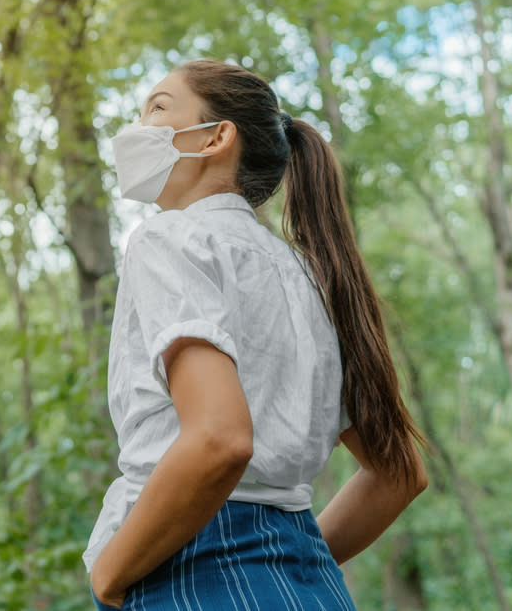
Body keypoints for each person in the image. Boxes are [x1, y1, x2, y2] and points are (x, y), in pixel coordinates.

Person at [85, 59, 428, 610]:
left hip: (194, 571)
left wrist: (110, 573)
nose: (137, 128)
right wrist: (292, 563)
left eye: (157, 108)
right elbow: (398, 474)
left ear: (217, 137)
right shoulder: (311, 275)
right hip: (314, 587)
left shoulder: (170, 239)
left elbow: (219, 440)